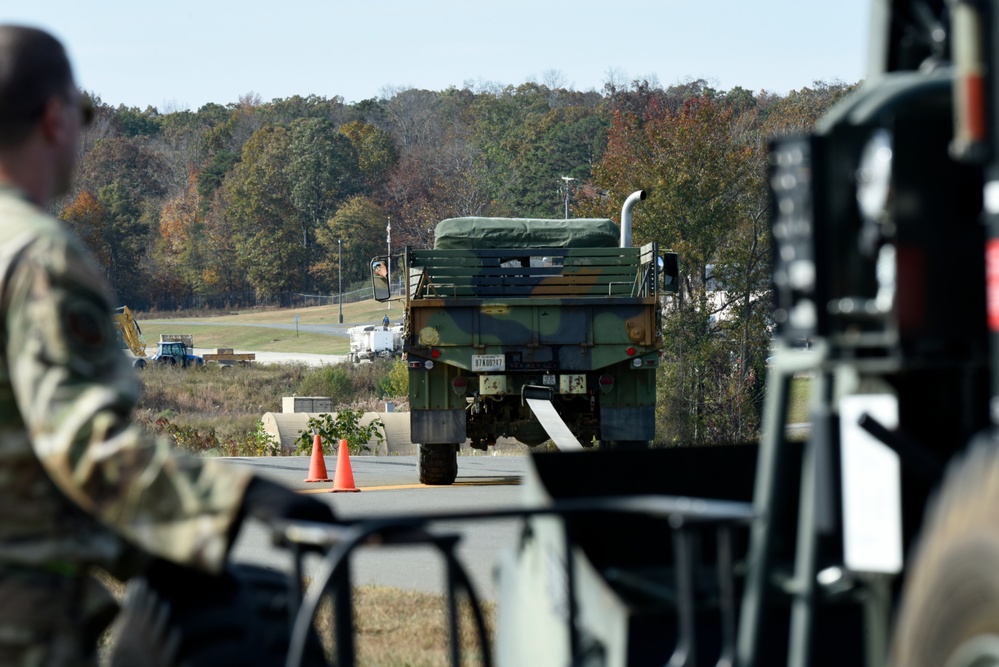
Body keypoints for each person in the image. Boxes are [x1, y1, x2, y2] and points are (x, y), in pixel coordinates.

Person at [0, 25, 334, 665]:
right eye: (84, 113)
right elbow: (79, 445)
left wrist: (155, 550)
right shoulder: (37, 257)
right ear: (53, 118)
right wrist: (236, 500)